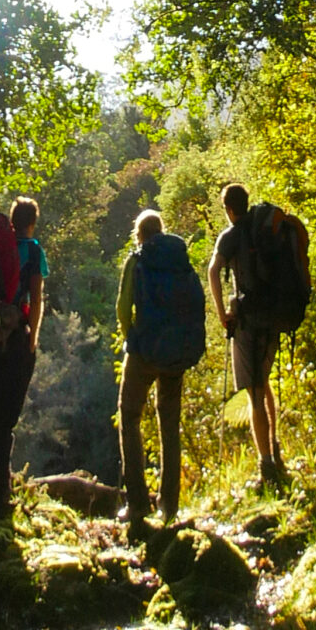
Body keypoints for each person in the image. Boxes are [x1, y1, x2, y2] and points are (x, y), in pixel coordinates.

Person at [208, 181, 308, 494]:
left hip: (249, 321)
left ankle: (266, 467)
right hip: (275, 315)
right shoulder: (265, 228)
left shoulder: (232, 235)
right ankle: (275, 453)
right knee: (264, 385)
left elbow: (213, 271)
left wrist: (222, 312)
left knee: (253, 393)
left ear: (228, 209)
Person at [115, 208, 205, 535]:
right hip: (176, 353)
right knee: (170, 424)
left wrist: (132, 338)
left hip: (143, 351)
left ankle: (137, 502)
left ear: (139, 235)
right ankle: (169, 505)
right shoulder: (179, 260)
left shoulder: (137, 260)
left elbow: (123, 308)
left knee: (129, 417)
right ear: (162, 231)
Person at [0, 196, 47, 524]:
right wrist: (32, 339)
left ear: (12, 220)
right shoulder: (32, 249)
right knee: (4, 419)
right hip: (14, 336)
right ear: (32, 222)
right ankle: (0, 499)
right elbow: (37, 296)